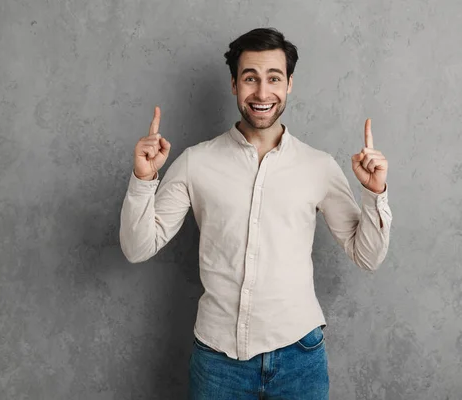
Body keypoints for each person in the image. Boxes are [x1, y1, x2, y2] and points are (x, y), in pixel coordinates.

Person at [119, 27, 392, 400]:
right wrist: (142, 179)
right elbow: (137, 248)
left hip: (301, 358)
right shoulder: (195, 163)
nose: (262, 93)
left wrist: (374, 193)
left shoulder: (319, 166)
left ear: (289, 84)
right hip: (217, 363)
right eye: (250, 78)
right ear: (234, 84)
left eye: (273, 78)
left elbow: (368, 256)